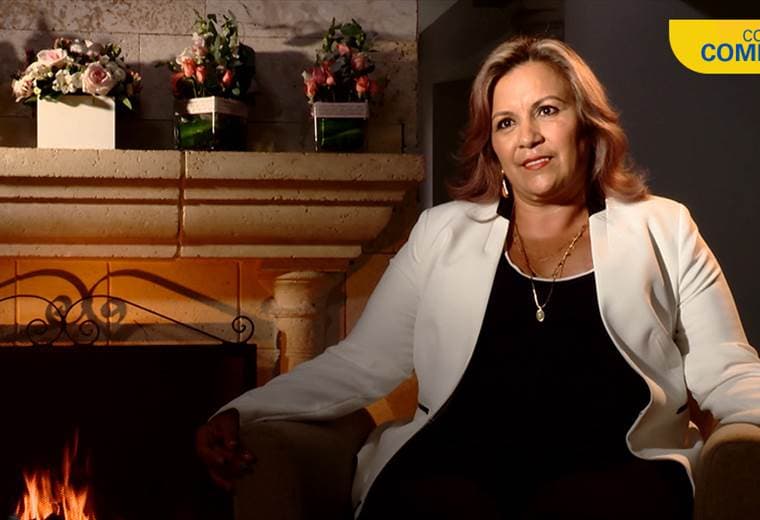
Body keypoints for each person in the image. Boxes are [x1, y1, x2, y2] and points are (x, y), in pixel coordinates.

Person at [196, 36, 760, 519]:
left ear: (586, 122)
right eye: (506, 122)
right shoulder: (440, 232)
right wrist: (244, 410)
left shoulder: (664, 227)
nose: (527, 136)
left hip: (615, 471)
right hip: (455, 470)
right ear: (492, 146)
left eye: (547, 110)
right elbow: (362, 362)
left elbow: (726, 367)